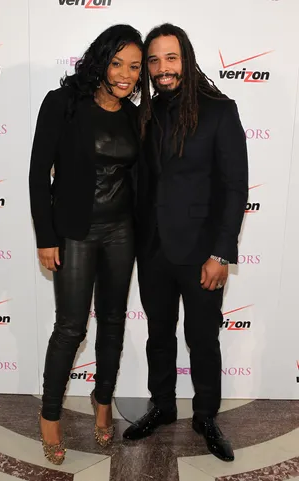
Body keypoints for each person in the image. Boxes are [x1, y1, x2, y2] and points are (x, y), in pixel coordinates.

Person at [123, 23, 248, 463]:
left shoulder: (219, 109)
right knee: (159, 336)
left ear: (186, 59)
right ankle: (162, 405)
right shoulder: (145, 112)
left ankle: (206, 415)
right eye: (153, 61)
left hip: (201, 253)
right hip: (152, 248)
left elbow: (235, 188)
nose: (161, 68)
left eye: (170, 58)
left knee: (202, 337)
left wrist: (221, 253)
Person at [29, 24, 143, 464]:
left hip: (121, 233)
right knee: (71, 328)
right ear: (101, 60)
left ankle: (102, 409)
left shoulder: (134, 116)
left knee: (113, 323)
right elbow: (40, 175)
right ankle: (50, 418)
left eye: (135, 67)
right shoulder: (63, 105)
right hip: (75, 232)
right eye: (118, 63)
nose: (126, 74)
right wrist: (45, 237)